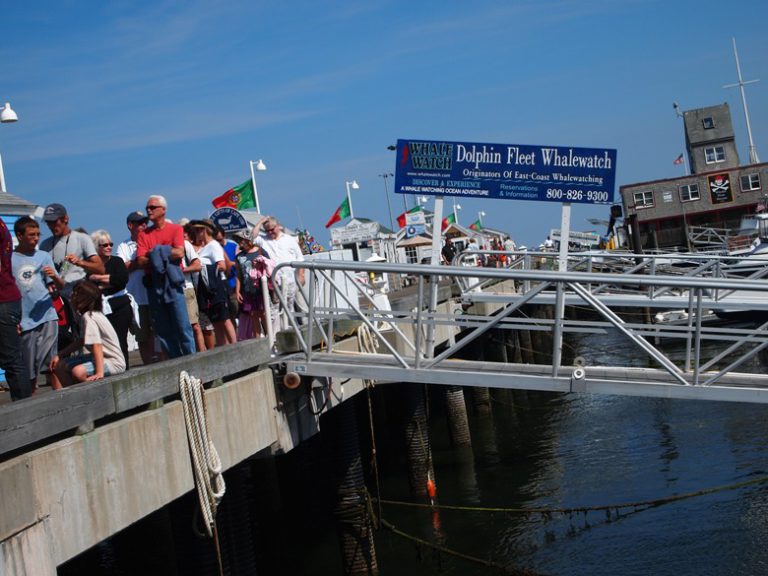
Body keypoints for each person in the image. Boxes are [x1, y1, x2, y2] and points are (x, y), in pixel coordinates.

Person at [135, 195, 195, 358]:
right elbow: (140, 261)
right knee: (163, 329)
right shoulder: (143, 235)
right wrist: (166, 251)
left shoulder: (175, 229)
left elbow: (179, 252)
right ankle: (176, 361)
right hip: (154, 285)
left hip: (172, 284)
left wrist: (155, 252)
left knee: (183, 325)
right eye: (148, 207)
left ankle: (192, 359)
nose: (149, 210)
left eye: (152, 207)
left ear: (163, 209)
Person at [12, 217, 63, 391]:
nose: (36, 238)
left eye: (38, 235)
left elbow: (60, 285)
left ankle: (61, 400)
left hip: (47, 315)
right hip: (25, 320)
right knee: (29, 369)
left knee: (52, 363)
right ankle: (31, 403)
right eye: (31, 235)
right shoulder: (10, 260)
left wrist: (55, 276)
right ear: (19, 236)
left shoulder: (43, 256)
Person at [50, 280, 126, 387]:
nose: (71, 297)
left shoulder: (89, 317)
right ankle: (69, 398)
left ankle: (90, 396)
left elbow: (97, 345)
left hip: (113, 361)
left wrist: (100, 373)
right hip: (99, 358)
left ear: (83, 299)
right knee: (59, 366)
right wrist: (59, 355)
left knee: (78, 372)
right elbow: (82, 341)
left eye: (75, 294)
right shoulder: (89, 315)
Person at [250, 216, 305, 332]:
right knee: (274, 310)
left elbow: (300, 258)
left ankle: (291, 332)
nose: (270, 232)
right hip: (273, 282)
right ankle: (276, 335)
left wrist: (301, 274)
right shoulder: (264, 240)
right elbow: (252, 236)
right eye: (268, 230)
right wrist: (261, 221)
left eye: (272, 229)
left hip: (289, 280)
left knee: (289, 308)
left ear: (277, 227)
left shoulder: (289, 239)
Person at [89, 229, 132, 369]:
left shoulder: (117, 261)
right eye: (104, 245)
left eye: (110, 244)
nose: (109, 247)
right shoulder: (92, 265)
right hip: (100, 308)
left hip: (120, 307)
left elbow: (121, 280)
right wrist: (108, 280)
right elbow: (89, 282)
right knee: (103, 342)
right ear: (96, 247)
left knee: (121, 340)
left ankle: (124, 368)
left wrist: (99, 279)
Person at [40, 203, 104, 297]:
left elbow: (100, 268)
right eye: (48, 222)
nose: (51, 226)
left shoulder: (82, 238)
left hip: (79, 297)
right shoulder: (44, 245)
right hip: (56, 299)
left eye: (54, 221)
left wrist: (80, 262)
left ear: (65, 218)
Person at [116, 211, 156, 365]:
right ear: (130, 225)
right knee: (142, 336)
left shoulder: (151, 240)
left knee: (158, 334)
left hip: (153, 294)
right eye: (140, 223)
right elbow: (122, 268)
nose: (144, 226)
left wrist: (137, 262)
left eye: (145, 222)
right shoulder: (124, 246)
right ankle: (148, 366)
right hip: (137, 298)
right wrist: (139, 262)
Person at [190, 219, 236, 346]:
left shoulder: (213, 245)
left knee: (225, 319)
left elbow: (222, 265)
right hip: (208, 288)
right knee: (216, 322)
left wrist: (205, 269)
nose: (197, 232)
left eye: (199, 229)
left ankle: (235, 345)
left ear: (206, 230)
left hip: (216, 286)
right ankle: (223, 348)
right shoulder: (205, 247)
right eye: (196, 230)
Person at [1, 217, 32, 401]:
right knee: (12, 360)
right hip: (7, 299)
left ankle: (25, 413)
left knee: (12, 360)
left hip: (3, 300)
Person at [233, 230, 273, 340]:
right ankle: (258, 338)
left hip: (260, 289)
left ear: (248, 240)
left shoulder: (260, 251)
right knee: (254, 314)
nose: (239, 243)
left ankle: (270, 336)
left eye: (241, 240)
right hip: (247, 290)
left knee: (263, 314)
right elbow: (239, 275)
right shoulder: (239, 257)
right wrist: (237, 291)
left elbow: (269, 267)